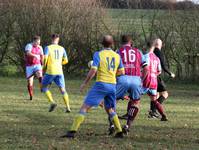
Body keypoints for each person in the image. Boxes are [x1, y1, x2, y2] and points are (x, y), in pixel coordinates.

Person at [61, 35, 125, 138]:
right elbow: (122, 72)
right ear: (112, 44)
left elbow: (93, 70)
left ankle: (72, 131)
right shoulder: (117, 56)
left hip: (101, 84)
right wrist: (111, 73)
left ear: (101, 43)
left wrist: (85, 83)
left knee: (85, 107)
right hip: (112, 86)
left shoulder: (98, 54)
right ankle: (119, 131)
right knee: (109, 109)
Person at [108, 35, 145, 135]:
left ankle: (112, 125)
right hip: (136, 79)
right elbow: (146, 68)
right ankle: (127, 126)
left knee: (112, 101)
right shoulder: (138, 52)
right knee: (135, 102)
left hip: (122, 78)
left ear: (121, 42)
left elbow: (112, 67)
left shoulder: (118, 51)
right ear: (131, 42)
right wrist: (142, 79)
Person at [140, 40, 168, 125]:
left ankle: (128, 116)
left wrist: (141, 78)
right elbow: (159, 71)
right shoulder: (156, 58)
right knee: (154, 100)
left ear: (147, 47)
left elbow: (145, 68)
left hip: (146, 81)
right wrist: (154, 74)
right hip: (154, 81)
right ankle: (163, 115)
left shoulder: (145, 56)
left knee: (134, 98)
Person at [41, 34, 71, 113]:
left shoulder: (48, 48)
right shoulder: (62, 48)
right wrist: (60, 63)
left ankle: (52, 102)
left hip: (50, 71)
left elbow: (45, 59)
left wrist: (43, 67)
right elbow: (66, 60)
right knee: (63, 89)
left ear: (52, 39)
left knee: (44, 87)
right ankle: (68, 107)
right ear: (58, 39)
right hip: (59, 71)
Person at [149, 39, 175, 118]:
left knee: (155, 94)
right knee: (165, 94)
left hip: (149, 76)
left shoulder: (150, 53)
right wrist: (170, 73)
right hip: (156, 76)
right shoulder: (159, 53)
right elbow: (163, 66)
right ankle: (156, 109)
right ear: (160, 45)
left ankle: (152, 112)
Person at [24, 35, 43, 100]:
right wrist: (34, 55)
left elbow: (42, 56)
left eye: (39, 43)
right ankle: (31, 95)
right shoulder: (29, 45)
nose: (38, 44)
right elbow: (28, 53)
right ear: (34, 41)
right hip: (29, 66)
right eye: (37, 43)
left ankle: (41, 87)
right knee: (30, 81)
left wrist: (42, 64)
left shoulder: (40, 47)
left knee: (40, 75)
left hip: (37, 64)